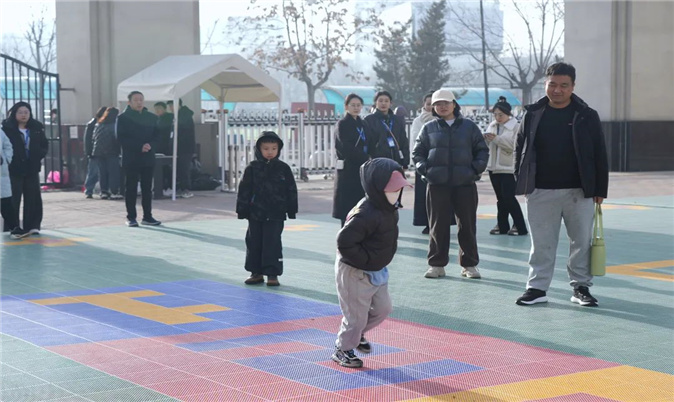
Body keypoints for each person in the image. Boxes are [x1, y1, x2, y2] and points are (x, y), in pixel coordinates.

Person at [514, 62, 608, 307]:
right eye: (552, 84)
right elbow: (520, 147)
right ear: (545, 84)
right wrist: (521, 180)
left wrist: (600, 189)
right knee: (541, 243)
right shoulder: (533, 114)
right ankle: (537, 288)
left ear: (573, 86)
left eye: (564, 85)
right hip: (540, 190)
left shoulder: (586, 115)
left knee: (581, 242)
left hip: (580, 191)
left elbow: (600, 152)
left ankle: (581, 287)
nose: (557, 90)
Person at [332, 157, 412, 368]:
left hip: (376, 269)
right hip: (355, 270)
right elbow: (344, 242)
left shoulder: (389, 208)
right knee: (355, 317)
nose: (396, 193)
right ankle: (343, 348)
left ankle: (355, 335)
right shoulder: (365, 213)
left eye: (399, 189)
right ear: (376, 189)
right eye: (391, 189)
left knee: (383, 308)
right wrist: (365, 260)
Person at [413, 89, 489, 280]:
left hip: (465, 184)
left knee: (467, 225)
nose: (442, 106)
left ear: (454, 104)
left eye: (446, 103)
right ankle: (436, 265)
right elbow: (417, 153)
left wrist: (474, 170)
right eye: (438, 104)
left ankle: (469, 265)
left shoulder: (469, 127)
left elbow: (482, 150)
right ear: (433, 107)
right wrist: (426, 171)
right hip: (437, 184)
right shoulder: (428, 128)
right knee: (437, 225)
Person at [236, 131, 298, 287]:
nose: (270, 152)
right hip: (255, 213)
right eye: (266, 149)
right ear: (259, 149)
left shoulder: (283, 168)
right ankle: (255, 273)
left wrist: (291, 210)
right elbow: (244, 190)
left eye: (274, 148)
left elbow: (291, 190)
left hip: (276, 213)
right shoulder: (252, 168)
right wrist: (242, 210)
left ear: (279, 149)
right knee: (254, 242)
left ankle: (272, 274)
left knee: (273, 243)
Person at [1, 102, 49, 236]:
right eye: (20, 112)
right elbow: (5, 146)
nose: (23, 115)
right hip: (14, 168)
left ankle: (33, 226)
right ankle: (13, 227)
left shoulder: (36, 128)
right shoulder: (7, 128)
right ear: (14, 114)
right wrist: (8, 160)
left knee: (33, 198)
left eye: (26, 112)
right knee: (13, 198)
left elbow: (44, 145)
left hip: (31, 168)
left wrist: (38, 155)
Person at [117, 91, 161, 227]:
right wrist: (139, 147)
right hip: (131, 158)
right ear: (129, 102)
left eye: (141, 99)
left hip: (148, 157)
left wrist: (150, 145)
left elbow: (158, 136)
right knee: (131, 188)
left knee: (147, 188)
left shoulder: (151, 117)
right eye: (136, 100)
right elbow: (121, 138)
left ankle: (148, 216)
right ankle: (131, 217)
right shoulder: (123, 118)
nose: (139, 102)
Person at [484, 99, 527, 236]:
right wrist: (486, 139)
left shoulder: (516, 127)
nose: (498, 117)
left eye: (501, 114)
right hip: (493, 167)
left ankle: (519, 226)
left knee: (509, 198)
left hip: (508, 168)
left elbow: (514, 145)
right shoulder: (492, 125)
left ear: (508, 113)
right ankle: (502, 225)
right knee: (500, 199)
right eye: (495, 114)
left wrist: (496, 139)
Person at [332, 93, 370, 227]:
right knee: (347, 205)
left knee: (361, 204)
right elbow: (345, 147)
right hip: (348, 169)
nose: (356, 108)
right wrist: (364, 157)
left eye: (358, 105)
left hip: (363, 168)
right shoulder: (342, 124)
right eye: (353, 105)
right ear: (346, 106)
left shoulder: (363, 124)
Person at [410, 92, 435, 234]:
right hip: (424, 162)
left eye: (434, 103)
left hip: (441, 162)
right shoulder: (418, 121)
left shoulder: (445, 119)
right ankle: (426, 222)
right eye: (428, 103)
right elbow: (415, 140)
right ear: (423, 104)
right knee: (423, 194)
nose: (431, 106)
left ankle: (440, 222)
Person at [364, 91, 409, 169]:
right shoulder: (369, 120)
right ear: (375, 103)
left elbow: (403, 141)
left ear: (390, 103)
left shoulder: (397, 120)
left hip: (395, 160)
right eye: (380, 101)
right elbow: (367, 142)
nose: (383, 103)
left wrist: (405, 162)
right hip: (377, 162)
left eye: (386, 101)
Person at [91, 107, 122, 200]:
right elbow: (117, 139)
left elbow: (93, 138)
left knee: (102, 172)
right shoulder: (114, 126)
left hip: (98, 152)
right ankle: (114, 192)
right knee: (113, 172)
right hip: (111, 151)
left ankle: (104, 191)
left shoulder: (99, 124)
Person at [1, 128, 22, 237]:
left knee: (6, 202)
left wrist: (6, 159)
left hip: (1, 174)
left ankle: (14, 227)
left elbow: (8, 146)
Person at [83, 107, 106, 198]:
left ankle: (89, 190)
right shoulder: (94, 124)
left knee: (94, 172)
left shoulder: (93, 123)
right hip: (96, 152)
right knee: (94, 172)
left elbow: (87, 140)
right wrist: (89, 152)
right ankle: (89, 190)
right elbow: (88, 140)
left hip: (97, 151)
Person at [175, 99, 196, 198]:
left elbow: (185, 132)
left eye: (172, 105)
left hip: (185, 147)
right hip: (180, 147)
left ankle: (186, 189)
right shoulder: (178, 115)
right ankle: (182, 188)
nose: (171, 108)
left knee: (184, 169)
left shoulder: (184, 116)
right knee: (180, 169)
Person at [154, 102, 174, 194]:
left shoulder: (169, 118)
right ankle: (161, 186)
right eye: (156, 109)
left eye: (159, 108)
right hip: (158, 147)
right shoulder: (157, 119)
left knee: (167, 168)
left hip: (166, 147)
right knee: (159, 168)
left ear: (165, 109)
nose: (157, 111)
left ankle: (169, 186)